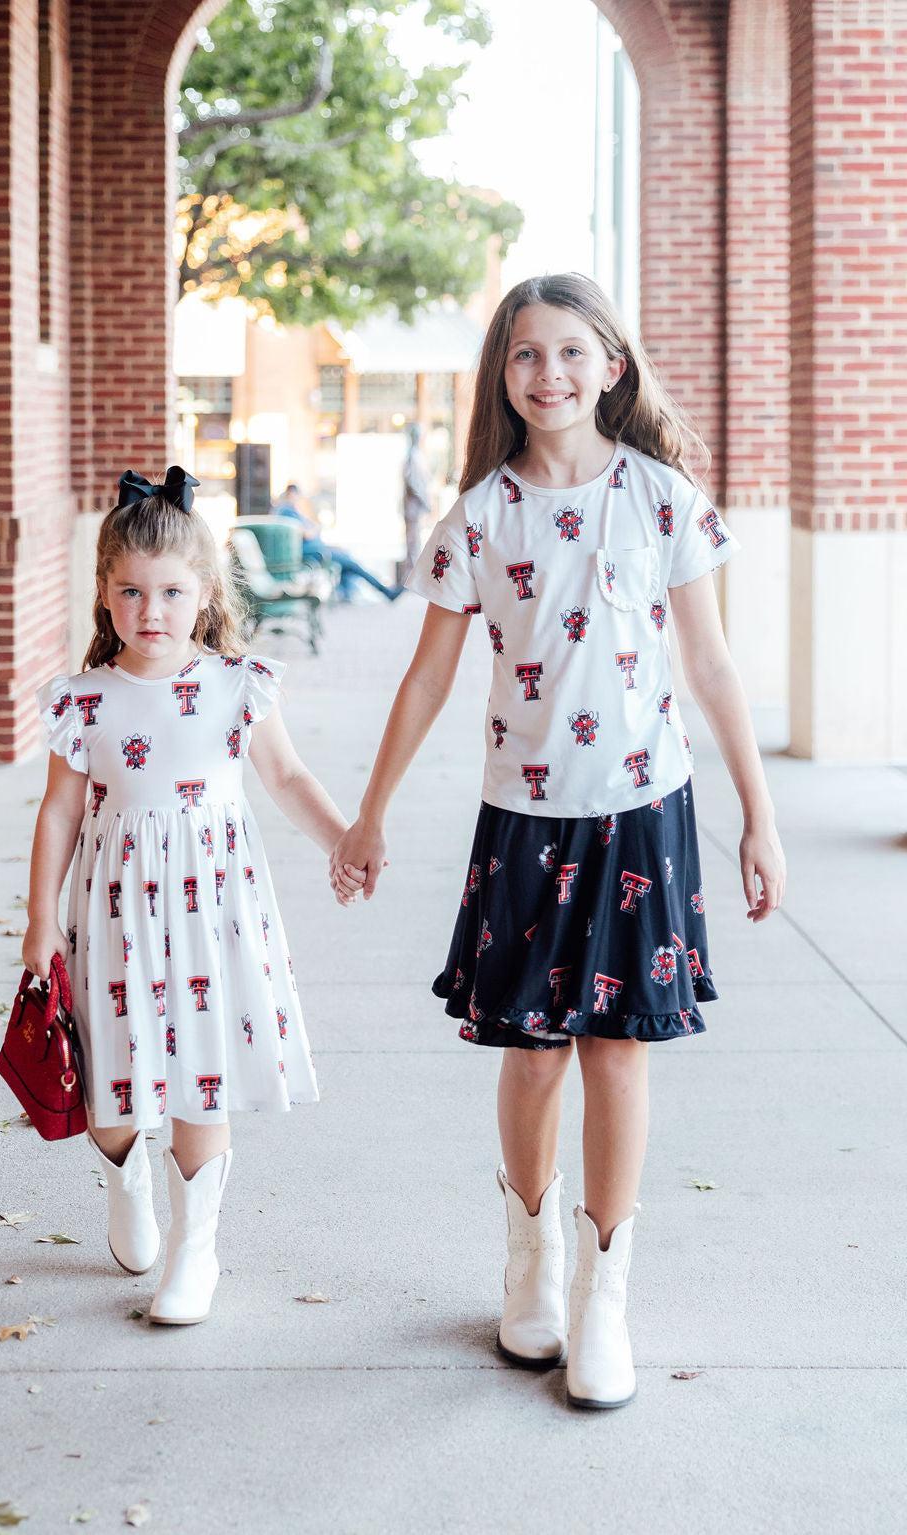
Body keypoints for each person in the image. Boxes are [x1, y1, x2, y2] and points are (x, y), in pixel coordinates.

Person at [328, 274, 786, 1408]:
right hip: (524, 817)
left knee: (615, 1048)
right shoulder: (478, 516)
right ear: (504, 375)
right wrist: (369, 809)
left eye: (571, 352)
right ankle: (528, 1266)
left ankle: (603, 1295)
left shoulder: (664, 499)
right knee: (531, 1050)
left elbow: (713, 665)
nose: (549, 374)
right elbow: (429, 672)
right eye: (525, 355)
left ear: (611, 366)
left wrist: (757, 818)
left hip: (642, 806)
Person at [23, 466, 364, 1327]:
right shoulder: (86, 702)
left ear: (205, 592)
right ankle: (123, 1173)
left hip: (212, 911)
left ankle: (194, 1248)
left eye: (172, 592)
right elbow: (61, 813)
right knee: (110, 1087)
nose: (152, 611)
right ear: (103, 595)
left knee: (196, 1082)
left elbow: (283, 775)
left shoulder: (235, 685)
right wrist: (38, 924)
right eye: (131, 591)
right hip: (114, 915)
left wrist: (345, 840)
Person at [273, 483, 402, 603]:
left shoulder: (290, 511)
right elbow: (306, 534)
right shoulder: (286, 510)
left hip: (318, 550)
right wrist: (314, 528)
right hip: (314, 554)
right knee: (352, 564)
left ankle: (348, 594)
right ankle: (385, 591)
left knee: (347, 558)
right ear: (291, 494)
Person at [401, 424, 431, 568]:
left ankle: (414, 571)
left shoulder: (417, 454)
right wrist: (425, 501)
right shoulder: (412, 456)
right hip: (413, 506)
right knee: (412, 541)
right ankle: (412, 572)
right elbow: (413, 483)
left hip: (416, 507)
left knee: (416, 540)